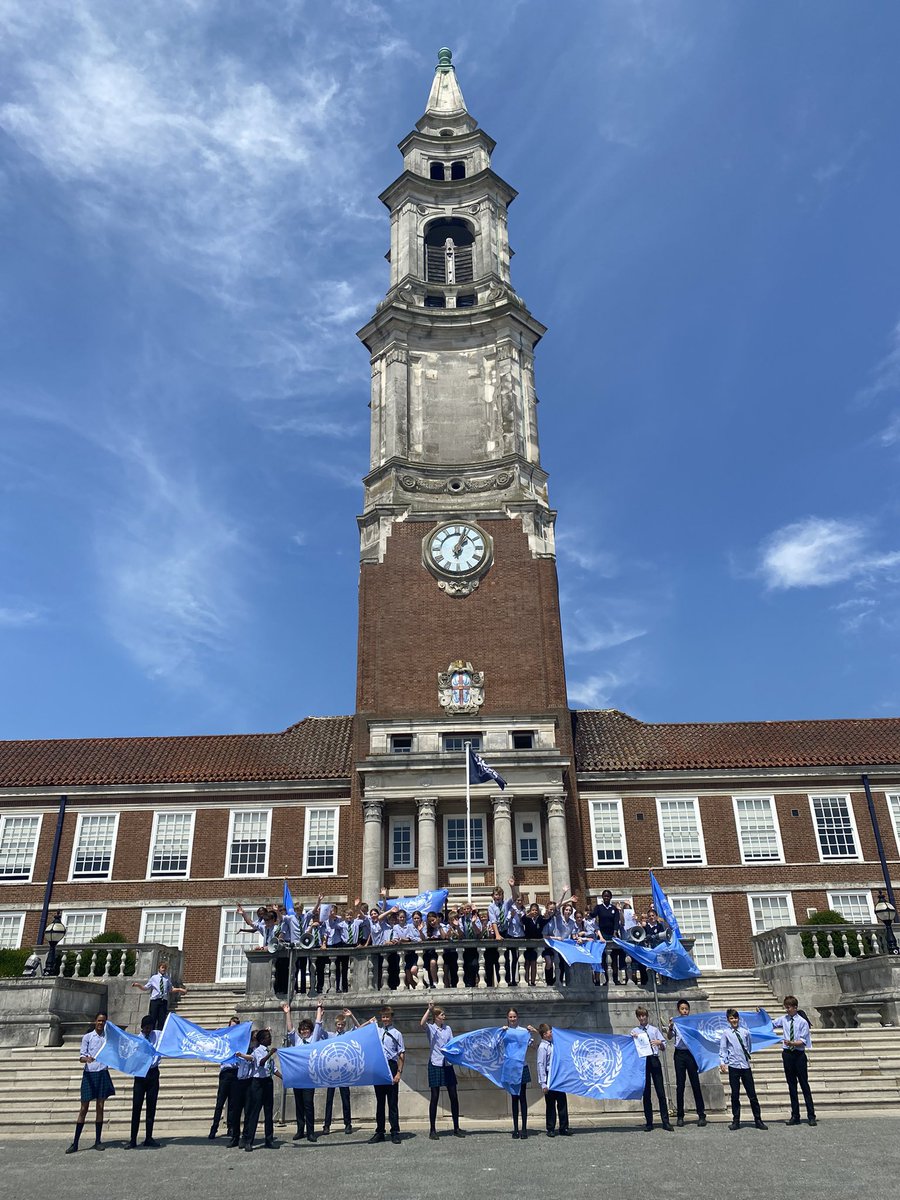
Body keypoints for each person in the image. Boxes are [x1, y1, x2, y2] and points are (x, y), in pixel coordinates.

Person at [66, 1012, 115, 1154]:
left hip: (102, 1072)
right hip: (89, 1073)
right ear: (95, 1022)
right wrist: (86, 1059)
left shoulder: (107, 1038)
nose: (101, 1023)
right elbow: (81, 1056)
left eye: (103, 1021)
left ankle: (98, 1140)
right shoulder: (88, 1037)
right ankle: (75, 1142)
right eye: (99, 1021)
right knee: (84, 1108)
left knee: (100, 1106)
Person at [421, 1002, 464, 1140]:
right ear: (436, 1017)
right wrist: (429, 1009)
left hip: (447, 1063)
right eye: (442, 1015)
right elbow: (422, 1023)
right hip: (435, 1062)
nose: (444, 1017)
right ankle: (432, 1129)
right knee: (434, 1096)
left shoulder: (448, 1029)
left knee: (454, 1096)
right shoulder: (431, 1028)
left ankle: (456, 1127)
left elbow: (452, 1043)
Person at [283, 1001, 325, 1142]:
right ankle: (300, 1130)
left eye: (307, 1029)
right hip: (297, 1077)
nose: (304, 1031)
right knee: (299, 1104)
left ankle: (311, 1132)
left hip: (309, 1077)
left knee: (308, 1104)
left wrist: (318, 1008)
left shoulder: (314, 1039)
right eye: (303, 1029)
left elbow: (318, 1024)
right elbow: (290, 1030)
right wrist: (287, 1012)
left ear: (310, 1030)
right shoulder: (298, 1041)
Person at [718, 1008, 767, 1131]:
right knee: (735, 1094)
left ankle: (758, 1119)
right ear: (728, 1020)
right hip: (734, 1066)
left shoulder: (745, 1032)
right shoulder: (726, 1033)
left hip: (745, 1066)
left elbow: (748, 1046)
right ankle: (736, 1120)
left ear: (738, 1018)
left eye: (735, 1018)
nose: (734, 1020)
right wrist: (722, 1062)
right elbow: (723, 1048)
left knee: (752, 1094)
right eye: (731, 1018)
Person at [772, 995, 817, 1127]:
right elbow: (771, 1023)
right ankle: (795, 1115)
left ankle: (811, 1115)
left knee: (804, 1085)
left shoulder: (802, 1022)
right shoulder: (784, 1019)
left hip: (798, 1054)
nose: (787, 1010)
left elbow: (803, 1040)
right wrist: (760, 1015)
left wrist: (792, 1042)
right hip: (787, 1054)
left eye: (789, 1007)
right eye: (786, 1007)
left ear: (795, 1007)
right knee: (791, 1085)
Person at [630, 1006, 673, 1132]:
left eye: (644, 1016)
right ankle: (649, 1122)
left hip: (654, 1059)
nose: (642, 1018)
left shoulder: (654, 1030)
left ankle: (665, 1121)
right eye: (640, 1016)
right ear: (637, 1017)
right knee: (646, 1092)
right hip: (643, 1062)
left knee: (660, 1091)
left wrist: (659, 1043)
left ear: (647, 1017)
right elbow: (631, 1047)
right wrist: (633, 1038)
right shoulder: (635, 1030)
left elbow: (664, 1045)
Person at [237, 1028, 280, 1150]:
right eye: (268, 1037)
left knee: (268, 1112)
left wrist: (283, 1077)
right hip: (258, 1083)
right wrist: (270, 1053)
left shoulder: (267, 1051)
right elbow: (261, 1063)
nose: (270, 1039)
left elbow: (273, 1069)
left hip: (267, 1082)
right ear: (262, 1040)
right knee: (254, 1112)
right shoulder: (257, 1051)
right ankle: (249, 1141)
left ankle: (269, 1139)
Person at [367, 1005, 405, 1144]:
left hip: (392, 1065)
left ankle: (395, 1131)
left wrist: (399, 1073)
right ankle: (380, 1131)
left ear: (391, 1017)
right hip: (379, 1066)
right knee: (380, 1102)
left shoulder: (397, 1034)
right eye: (383, 1017)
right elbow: (360, 1029)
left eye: (387, 1016)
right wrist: (368, 1022)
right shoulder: (377, 1031)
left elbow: (401, 1054)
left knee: (393, 1102)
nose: (385, 1019)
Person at [667, 999, 707, 1127]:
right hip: (679, 1054)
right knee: (680, 1085)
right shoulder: (676, 1022)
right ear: (679, 1010)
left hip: (691, 1054)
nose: (684, 1011)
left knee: (695, 1083)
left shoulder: (692, 1022)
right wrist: (671, 1027)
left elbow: (698, 1036)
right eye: (682, 1008)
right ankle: (680, 1116)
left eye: (686, 1009)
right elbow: (669, 1036)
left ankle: (701, 1114)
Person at [125, 1015, 162, 1148]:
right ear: (142, 1027)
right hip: (140, 1075)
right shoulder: (136, 1040)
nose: (148, 1030)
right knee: (137, 1107)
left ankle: (149, 1137)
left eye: (150, 1027)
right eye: (146, 1027)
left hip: (153, 1073)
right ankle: (133, 1138)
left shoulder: (157, 1035)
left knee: (151, 1106)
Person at [323, 1009, 357, 1135]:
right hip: (332, 1070)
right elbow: (319, 1031)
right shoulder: (331, 1035)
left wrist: (351, 1015)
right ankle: (326, 1125)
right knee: (329, 1099)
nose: (340, 1027)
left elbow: (357, 1028)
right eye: (339, 1025)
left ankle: (348, 1124)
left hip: (344, 1070)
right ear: (335, 1025)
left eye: (342, 1025)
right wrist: (320, 1015)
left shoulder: (347, 1034)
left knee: (345, 1098)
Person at [533, 1022, 570, 1137]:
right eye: (550, 1032)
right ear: (544, 1034)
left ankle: (564, 1127)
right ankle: (550, 1127)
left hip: (558, 1075)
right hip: (549, 1075)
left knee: (562, 1102)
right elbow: (541, 1064)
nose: (552, 1033)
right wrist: (543, 1083)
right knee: (550, 1103)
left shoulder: (554, 1044)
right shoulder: (543, 1047)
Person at [209, 1016, 243, 1140]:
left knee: (233, 1103)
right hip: (225, 1072)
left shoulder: (240, 1041)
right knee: (220, 1102)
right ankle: (214, 1127)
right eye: (231, 1026)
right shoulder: (224, 1039)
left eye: (235, 1027)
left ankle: (231, 1127)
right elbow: (213, 1038)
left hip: (235, 1072)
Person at [131, 960, 186, 1030]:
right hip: (155, 1001)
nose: (164, 969)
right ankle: (151, 1034)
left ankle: (159, 1034)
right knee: (153, 1018)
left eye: (165, 968)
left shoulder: (167, 978)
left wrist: (180, 989)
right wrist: (138, 985)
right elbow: (145, 988)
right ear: (159, 968)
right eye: (162, 967)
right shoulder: (154, 978)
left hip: (163, 1001)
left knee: (162, 1020)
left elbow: (170, 989)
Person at [504, 1008, 532, 1139]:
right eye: (510, 1017)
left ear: (517, 1017)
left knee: (523, 1098)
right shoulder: (504, 1031)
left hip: (522, 1066)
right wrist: (501, 1031)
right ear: (507, 1018)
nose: (513, 1019)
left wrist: (533, 1031)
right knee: (514, 1098)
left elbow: (533, 1044)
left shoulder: (523, 1031)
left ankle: (524, 1128)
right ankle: (515, 1128)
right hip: (511, 1067)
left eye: (514, 1016)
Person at [227, 1030, 255, 1148]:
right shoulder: (236, 1049)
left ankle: (246, 1137)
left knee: (248, 1111)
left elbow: (252, 1058)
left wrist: (241, 1055)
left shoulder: (253, 1050)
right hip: (237, 1082)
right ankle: (235, 1136)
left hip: (248, 1082)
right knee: (235, 1111)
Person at [590, 890, 623, 985]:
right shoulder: (599, 908)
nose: (606, 898)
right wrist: (589, 913)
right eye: (604, 896)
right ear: (602, 897)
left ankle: (616, 979)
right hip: (603, 935)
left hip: (612, 934)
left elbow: (616, 922)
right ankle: (607, 979)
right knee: (604, 958)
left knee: (614, 957)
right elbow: (593, 915)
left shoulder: (614, 909)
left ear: (610, 897)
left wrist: (615, 932)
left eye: (608, 896)